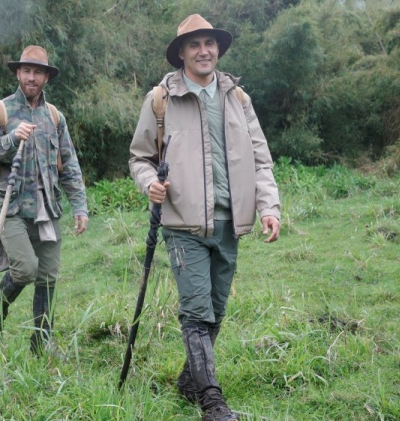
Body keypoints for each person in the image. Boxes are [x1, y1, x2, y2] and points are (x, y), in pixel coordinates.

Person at [129, 14, 281, 421]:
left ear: (218, 49)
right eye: (194, 44)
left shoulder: (237, 99)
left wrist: (269, 207)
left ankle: (188, 379)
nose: (203, 51)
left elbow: (260, 159)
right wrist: (149, 184)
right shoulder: (161, 99)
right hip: (183, 225)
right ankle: (211, 401)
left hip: (231, 224)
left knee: (215, 310)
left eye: (209, 43)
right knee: (196, 313)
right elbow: (140, 158)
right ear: (181, 53)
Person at [0, 45, 88, 355]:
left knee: (48, 276)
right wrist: (10, 140)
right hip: (9, 208)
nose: (31, 77)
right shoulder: (0, 112)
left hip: (47, 208)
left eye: (38, 72)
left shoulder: (55, 117)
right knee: (24, 269)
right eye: (26, 71)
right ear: (18, 74)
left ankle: (42, 341)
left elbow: (69, 163)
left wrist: (79, 206)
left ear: (46, 77)